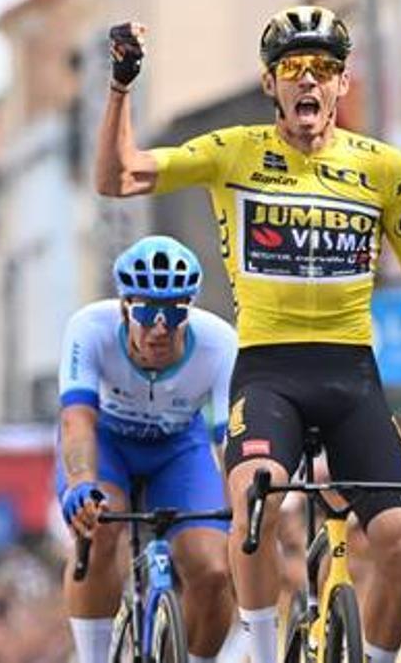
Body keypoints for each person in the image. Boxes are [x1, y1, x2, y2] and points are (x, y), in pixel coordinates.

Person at [92, 6, 401, 663]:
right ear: (270, 83)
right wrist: (120, 88)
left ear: (342, 84)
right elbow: (116, 177)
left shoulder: (383, 168)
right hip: (269, 371)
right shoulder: (234, 152)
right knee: (256, 496)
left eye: (324, 69)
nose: (308, 81)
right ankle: (257, 647)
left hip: (351, 376)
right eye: (293, 69)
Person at [56, 236, 237, 663]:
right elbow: (77, 420)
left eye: (174, 313)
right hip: (107, 444)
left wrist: (241, 509)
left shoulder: (220, 343)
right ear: (125, 309)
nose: (161, 326)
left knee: (213, 570)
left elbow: (231, 441)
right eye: (148, 312)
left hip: (178, 450)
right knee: (98, 528)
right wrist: (82, 484)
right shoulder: (89, 328)